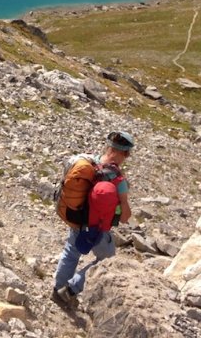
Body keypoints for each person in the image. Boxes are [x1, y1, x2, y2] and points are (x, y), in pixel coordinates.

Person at [52, 130, 134, 309]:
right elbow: (126, 216)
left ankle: (57, 290)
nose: (127, 157)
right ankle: (71, 289)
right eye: (127, 154)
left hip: (78, 218)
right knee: (107, 261)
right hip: (99, 227)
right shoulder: (118, 179)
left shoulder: (91, 162)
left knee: (71, 252)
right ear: (125, 153)